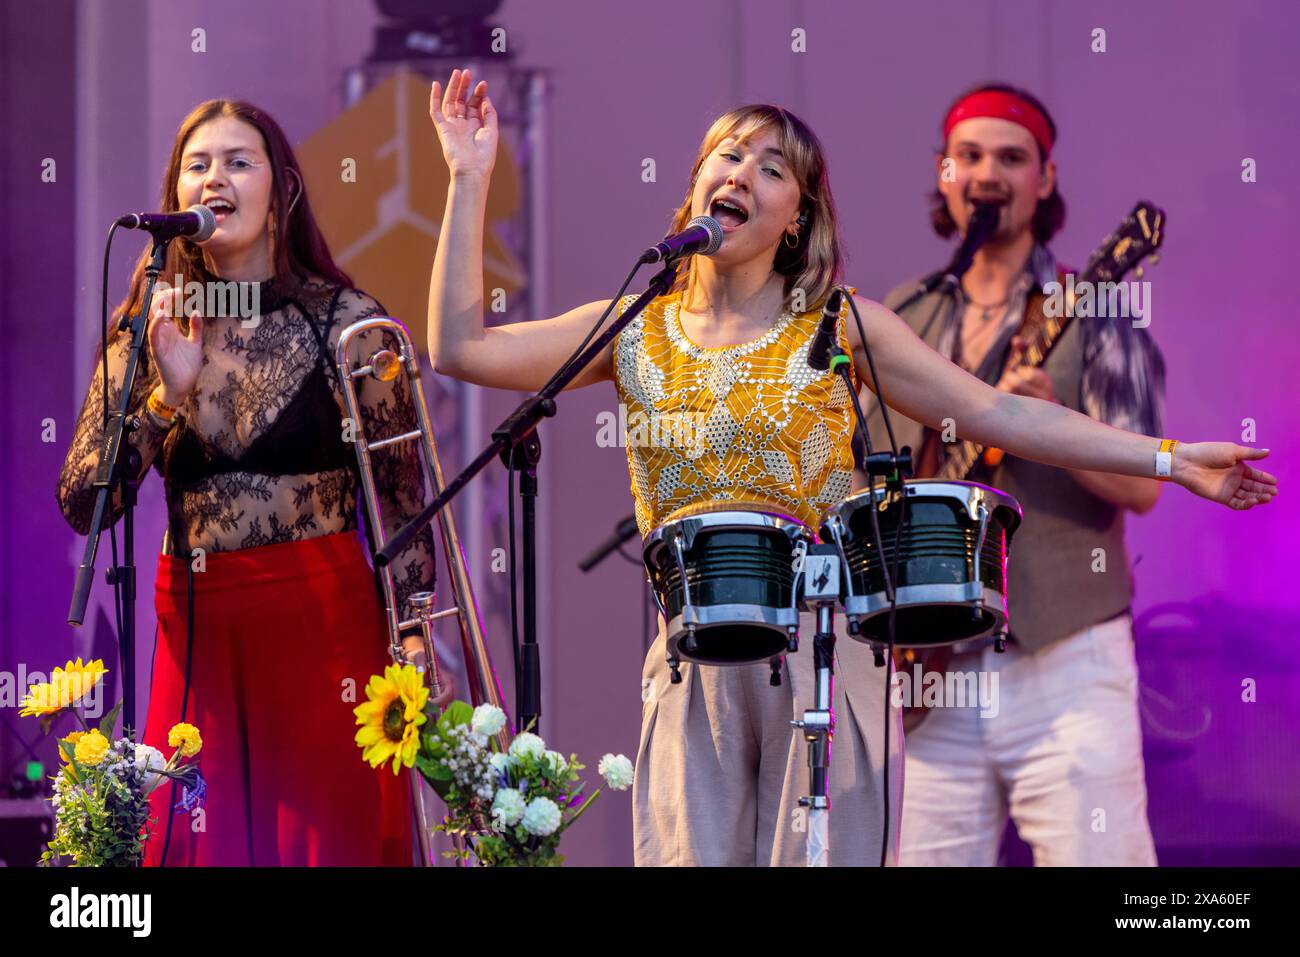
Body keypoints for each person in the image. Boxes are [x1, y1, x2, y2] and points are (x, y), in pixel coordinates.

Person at [424, 69, 1276, 866]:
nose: (744, 174)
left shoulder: (836, 324)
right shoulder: (636, 327)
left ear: (795, 217)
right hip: (688, 660)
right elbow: (459, 346)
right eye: (729, 154)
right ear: (693, 185)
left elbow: (997, 412)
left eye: (773, 168)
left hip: (822, 646)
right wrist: (467, 180)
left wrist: (1170, 459)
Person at [56, 99, 449, 866]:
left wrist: (414, 634)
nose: (215, 177)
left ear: (284, 192)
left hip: (325, 630)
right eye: (197, 164)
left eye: (239, 161)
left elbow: (404, 502)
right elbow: (82, 502)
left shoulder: (346, 324)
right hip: (199, 627)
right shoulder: (147, 325)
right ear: (175, 196)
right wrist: (167, 395)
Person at [869, 83, 1185, 866]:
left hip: (1066, 663)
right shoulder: (905, 314)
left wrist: (1052, 430)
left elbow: (1144, 483)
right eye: (970, 155)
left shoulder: (1101, 307)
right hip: (929, 672)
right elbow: (870, 485)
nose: (988, 172)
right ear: (944, 172)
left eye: (1012, 157)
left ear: (1045, 179)